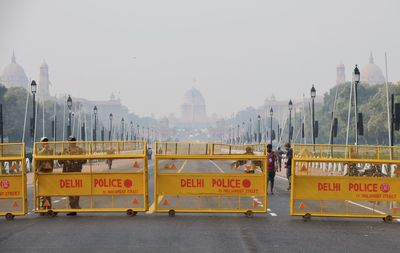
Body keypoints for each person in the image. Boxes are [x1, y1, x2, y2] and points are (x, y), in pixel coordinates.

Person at [58, 136, 86, 216]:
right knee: (70, 190)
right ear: (68, 142)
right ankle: (73, 207)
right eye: (70, 141)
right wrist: (60, 156)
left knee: (77, 189)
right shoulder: (65, 150)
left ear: (75, 141)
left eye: (73, 140)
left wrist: (77, 159)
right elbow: (60, 162)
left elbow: (85, 160)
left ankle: (76, 205)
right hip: (67, 172)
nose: (72, 142)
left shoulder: (80, 150)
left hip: (77, 171)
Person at [37, 137, 54, 211]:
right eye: (44, 142)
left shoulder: (50, 150)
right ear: (41, 143)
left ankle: (49, 207)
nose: (45, 143)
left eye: (46, 141)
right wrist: (44, 149)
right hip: (41, 172)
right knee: (42, 191)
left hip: (49, 172)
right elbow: (39, 156)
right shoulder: (38, 150)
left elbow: (52, 159)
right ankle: (42, 208)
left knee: (49, 190)